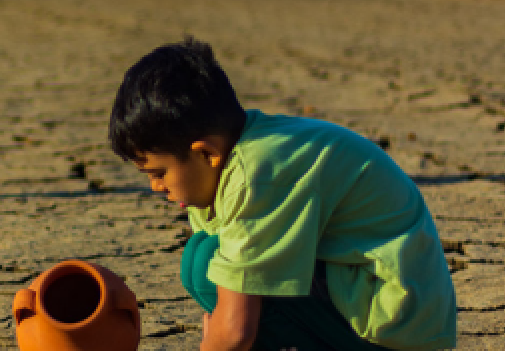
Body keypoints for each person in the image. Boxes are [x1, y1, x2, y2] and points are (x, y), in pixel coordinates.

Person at [108, 38, 458, 351]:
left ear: (206, 153)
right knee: (203, 258)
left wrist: (221, 336)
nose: (156, 188)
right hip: (367, 297)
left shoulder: (256, 174)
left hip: (395, 323)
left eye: (158, 173)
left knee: (206, 267)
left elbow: (235, 331)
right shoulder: (226, 161)